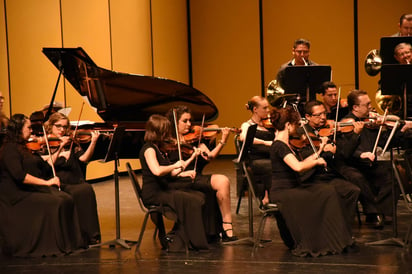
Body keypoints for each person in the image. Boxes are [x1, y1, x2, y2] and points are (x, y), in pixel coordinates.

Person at [268, 106, 355, 257]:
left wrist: (319, 150)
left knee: (328, 191)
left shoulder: (285, 144)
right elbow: (298, 167)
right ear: (288, 125)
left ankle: (333, 239)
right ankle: (322, 241)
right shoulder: (279, 146)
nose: (298, 127)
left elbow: (303, 161)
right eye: (295, 124)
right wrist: (317, 162)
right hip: (284, 192)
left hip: (292, 189)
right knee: (327, 193)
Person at [0, 114, 86, 257]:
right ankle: (54, 246)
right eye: (28, 128)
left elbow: (43, 166)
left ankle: (72, 243)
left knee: (66, 198)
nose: (31, 131)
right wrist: (46, 183)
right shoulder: (10, 149)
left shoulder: (24, 147)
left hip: (28, 189)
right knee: (56, 202)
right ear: (18, 129)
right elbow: (20, 176)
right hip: (15, 195)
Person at [335, 89, 412, 228]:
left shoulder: (371, 123)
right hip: (351, 165)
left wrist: (402, 130)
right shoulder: (347, 123)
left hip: (368, 164)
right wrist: (361, 154)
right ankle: (372, 213)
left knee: (392, 173)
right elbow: (345, 151)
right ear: (355, 107)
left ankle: (384, 213)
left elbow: (386, 142)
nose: (371, 107)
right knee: (358, 178)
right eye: (367, 104)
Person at [166, 105, 237, 242]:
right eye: (185, 121)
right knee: (216, 183)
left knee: (223, 181)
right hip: (178, 179)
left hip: (195, 177)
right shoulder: (168, 142)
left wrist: (223, 141)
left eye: (190, 121)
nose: (189, 124)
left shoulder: (195, 140)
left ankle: (227, 227)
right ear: (174, 122)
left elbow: (209, 156)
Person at [139, 114, 209, 250]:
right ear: (157, 131)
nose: (168, 133)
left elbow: (171, 173)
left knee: (199, 196)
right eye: (165, 130)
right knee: (191, 200)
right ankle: (188, 241)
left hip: (163, 189)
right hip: (154, 193)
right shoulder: (149, 149)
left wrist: (185, 166)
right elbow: (157, 171)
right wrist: (175, 165)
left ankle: (185, 236)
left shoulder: (158, 148)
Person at [295, 100, 360, 226]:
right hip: (312, 176)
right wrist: (323, 150)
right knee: (333, 193)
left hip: (330, 174)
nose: (323, 118)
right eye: (318, 115)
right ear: (307, 117)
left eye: (324, 113)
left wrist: (354, 136)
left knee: (353, 190)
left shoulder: (331, 130)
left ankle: (343, 227)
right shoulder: (301, 133)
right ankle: (329, 226)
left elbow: (344, 153)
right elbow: (305, 154)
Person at [43, 112, 101, 245]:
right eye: (58, 126)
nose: (62, 130)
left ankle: (90, 235)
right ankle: (76, 237)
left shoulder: (71, 141)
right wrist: (61, 149)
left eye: (64, 127)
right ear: (51, 126)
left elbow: (84, 159)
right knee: (77, 192)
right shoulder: (45, 143)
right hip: (59, 182)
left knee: (87, 189)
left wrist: (93, 142)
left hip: (75, 180)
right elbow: (46, 164)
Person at [239, 96, 275, 205]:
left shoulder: (270, 124)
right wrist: (265, 142)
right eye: (265, 108)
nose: (268, 110)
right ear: (255, 109)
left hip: (271, 157)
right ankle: (271, 199)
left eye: (268, 107)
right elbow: (243, 137)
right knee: (272, 166)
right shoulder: (247, 125)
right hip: (256, 160)